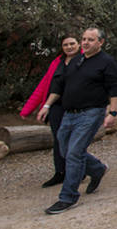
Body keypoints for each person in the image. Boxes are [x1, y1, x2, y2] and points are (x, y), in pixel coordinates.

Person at [40, 27, 117, 215]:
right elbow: (58, 85)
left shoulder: (107, 63)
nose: (85, 43)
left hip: (91, 113)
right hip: (69, 113)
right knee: (65, 149)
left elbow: (115, 89)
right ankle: (98, 169)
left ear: (100, 42)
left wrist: (113, 113)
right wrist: (47, 106)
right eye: (83, 39)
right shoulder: (75, 61)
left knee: (75, 152)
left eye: (90, 40)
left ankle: (68, 197)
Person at [22, 34, 80, 188]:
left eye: (72, 44)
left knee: (74, 141)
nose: (69, 47)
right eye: (66, 44)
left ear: (79, 44)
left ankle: (78, 171)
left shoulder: (84, 60)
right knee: (59, 139)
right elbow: (44, 85)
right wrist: (28, 109)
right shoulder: (57, 63)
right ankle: (60, 172)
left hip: (76, 106)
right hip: (56, 106)